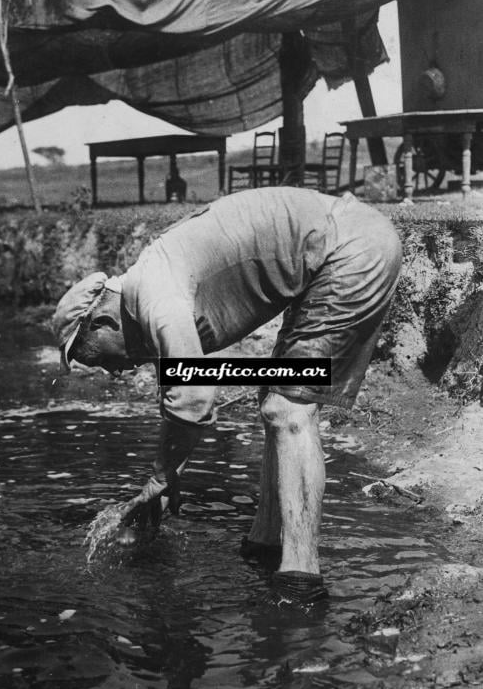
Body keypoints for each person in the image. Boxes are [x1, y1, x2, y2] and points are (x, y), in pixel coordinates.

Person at [53, 188, 402, 605]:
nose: (114, 371)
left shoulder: (155, 295)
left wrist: (161, 478)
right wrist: (170, 472)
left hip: (350, 249)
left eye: (96, 359)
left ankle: (300, 580)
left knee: (288, 409)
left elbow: (196, 392)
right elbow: (195, 382)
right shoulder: (151, 287)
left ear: (102, 321)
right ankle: (265, 543)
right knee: (272, 396)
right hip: (334, 249)